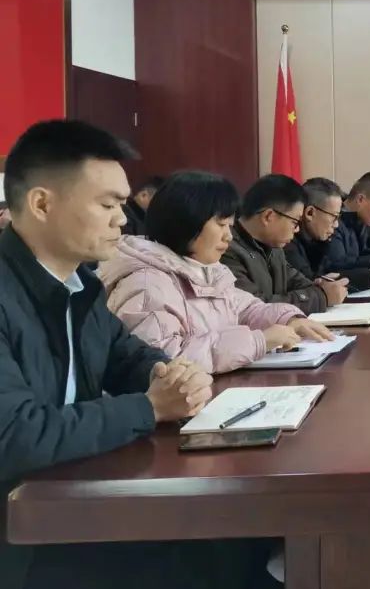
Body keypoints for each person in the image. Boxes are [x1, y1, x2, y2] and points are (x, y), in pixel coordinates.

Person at [0, 120, 234, 589]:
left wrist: (175, 375)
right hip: (22, 538)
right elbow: (15, 435)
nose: (123, 220)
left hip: (75, 497)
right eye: (107, 205)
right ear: (42, 204)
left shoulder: (82, 286)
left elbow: (129, 358)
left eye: (123, 205)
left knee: (233, 537)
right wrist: (149, 407)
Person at [99, 171, 333, 374]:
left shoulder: (208, 270)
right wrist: (258, 341)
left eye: (229, 226)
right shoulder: (147, 283)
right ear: (188, 221)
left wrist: (288, 319)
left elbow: (247, 308)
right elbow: (164, 363)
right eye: (221, 225)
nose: (228, 236)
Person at [222, 174, 349, 313]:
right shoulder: (226, 250)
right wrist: (321, 296)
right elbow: (257, 309)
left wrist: (321, 287)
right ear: (268, 216)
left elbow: (300, 283)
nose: (297, 229)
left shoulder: (274, 247)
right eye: (295, 222)